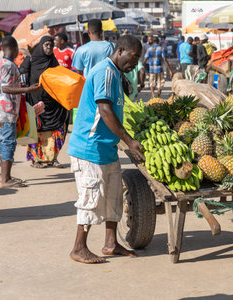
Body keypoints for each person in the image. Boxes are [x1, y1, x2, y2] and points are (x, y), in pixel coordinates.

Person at [67, 35, 145, 264]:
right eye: (134, 57)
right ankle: (79, 247)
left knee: (113, 197)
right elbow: (104, 109)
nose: (136, 64)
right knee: (90, 198)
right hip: (89, 148)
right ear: (120, 51)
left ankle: (110, 243)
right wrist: (130, 141)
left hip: (106, 147)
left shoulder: (115, 73)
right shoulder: (105, 71)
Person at [0, 36, 40, 187]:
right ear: (14, 49)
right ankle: (6, 179)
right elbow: (5, 88)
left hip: (0, 111)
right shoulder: (8, 65)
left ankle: (5, 177)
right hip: (6, 112)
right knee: (8, 143)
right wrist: (28, 89)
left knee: (4, 143)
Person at [21, 36, 69, 169]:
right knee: (37, 130)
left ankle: (53, 158)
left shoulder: (53, 61)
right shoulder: (30, 60)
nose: (49, 48)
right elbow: (23, 77)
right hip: (35, 101)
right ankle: (36, 159)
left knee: (57, 128)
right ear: (41, 45)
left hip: (52, 102)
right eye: (46, 45)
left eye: (51, 45)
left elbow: (59, 78)